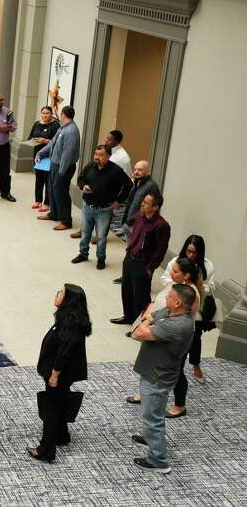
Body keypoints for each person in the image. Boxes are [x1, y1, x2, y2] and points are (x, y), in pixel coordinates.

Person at [129, 284, 197, 474]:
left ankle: (158, 460)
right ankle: (151, 438)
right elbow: (152, 316)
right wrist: (148, 321)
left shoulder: (177, 324)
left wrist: (144, 323)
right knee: (152, 413)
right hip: (153, 371)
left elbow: (140, 332)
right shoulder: (172, 313)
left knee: (153, 418)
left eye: (169, 296)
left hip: (158, 377)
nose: (165, 298)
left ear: (177, 303)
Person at [27, 284, 90, 463]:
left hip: (59, 374)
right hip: (61, 372)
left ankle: (46, 449)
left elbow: (64, 352)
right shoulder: (67, 318)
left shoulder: (71, 324)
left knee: (51, 409)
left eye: (61, 293)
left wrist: (54, 375)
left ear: (69, 300)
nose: (57, 294)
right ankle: (62, 435)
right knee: (59, 402)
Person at [161, 235, 216, 384]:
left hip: (196, 309)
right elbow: (165, 278)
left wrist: (195, 286)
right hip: (176, 305)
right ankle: (174, 368)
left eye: (195, 252)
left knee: (195, 336)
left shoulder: (207, 265)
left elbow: (211, 287)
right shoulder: (176, 262)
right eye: (189, 251)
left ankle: (194, 364)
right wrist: (179, 283)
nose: (191, 255)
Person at [111, 192, 171, 325]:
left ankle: (140, 323)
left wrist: (149, 268)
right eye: (143, 201)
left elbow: (160, 251)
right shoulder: (139, 218)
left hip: (143, 264)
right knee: (126, 291)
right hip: (130, 258)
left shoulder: (162, 225)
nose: (142, 204)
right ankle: (128, 316)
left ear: (155, 207)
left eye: (146, 203)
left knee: (140, 296)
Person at [36, 106, 81, 230]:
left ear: (63, 115)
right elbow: (52, 144)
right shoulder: (62, 128)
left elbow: (68, 153)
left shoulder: (71, 131)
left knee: (61, 192)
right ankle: (54, 214)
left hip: (63, 167)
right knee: (52, 190)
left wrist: (61, 171)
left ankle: (66, 221)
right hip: (54, 165)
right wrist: (41, 153)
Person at [27, 106, 60, 209]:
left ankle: (47, 202)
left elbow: (58, 143)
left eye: (47, 113)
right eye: (43, 113)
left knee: (47, 180)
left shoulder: (55, 125)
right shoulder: (37, 123)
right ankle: (38, 200)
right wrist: (34, 140)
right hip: (38, 155)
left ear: (51, 114)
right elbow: (30, 137)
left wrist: (45, 141)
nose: (45, 115)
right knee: (39, 179)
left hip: (49, 156)